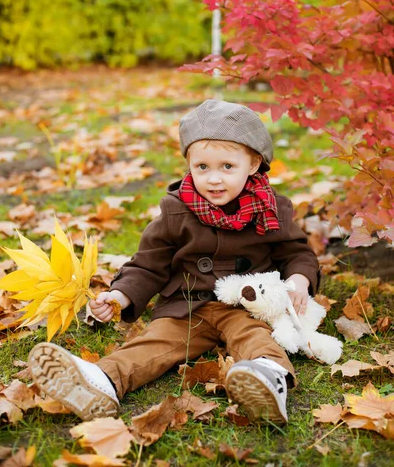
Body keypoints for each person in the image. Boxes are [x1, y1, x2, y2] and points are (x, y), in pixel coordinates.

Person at [28, 99, 319, 423]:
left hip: (245, 303)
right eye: (202, 167)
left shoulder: (272, 209)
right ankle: (103, 381)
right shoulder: (176, 211)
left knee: (254, 336)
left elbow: (297, 253)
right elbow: (148, 263)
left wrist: (298, 281)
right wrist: (121, 295)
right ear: (189, 164)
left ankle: (267, 377)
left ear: (253, 164)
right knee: (154, 342)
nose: (213, 179)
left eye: (227, 167)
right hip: (187, 306)